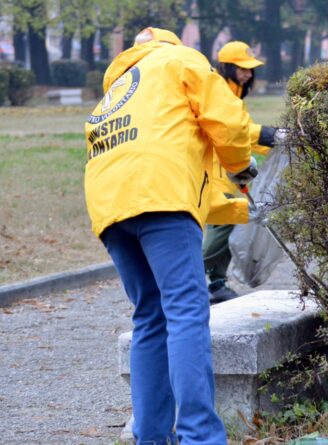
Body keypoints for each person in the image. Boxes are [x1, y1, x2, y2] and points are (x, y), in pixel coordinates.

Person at [84, 27, 258, 445]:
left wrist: (237, 208)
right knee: (186, 311)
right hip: (160, 198)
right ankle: (200, 436)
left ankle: (150, 437)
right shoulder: (181, 60)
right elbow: (228, 122)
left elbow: (174, 172)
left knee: (150, 315)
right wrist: (241, 164)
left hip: (110, 208)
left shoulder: (117, 90)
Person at [203, 40, 286, 303]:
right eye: (242, 68)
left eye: (250, 69)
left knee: (229, 222)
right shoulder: (216, 90)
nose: (248, 74)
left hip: (227, 171)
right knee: (224, 223)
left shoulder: (234, 95)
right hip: (211, 171)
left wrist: (275, 143)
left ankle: (217, 283)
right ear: (227, 66)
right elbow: (232, 131)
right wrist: (269, 134)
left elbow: (243, 135)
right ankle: (184, 274)